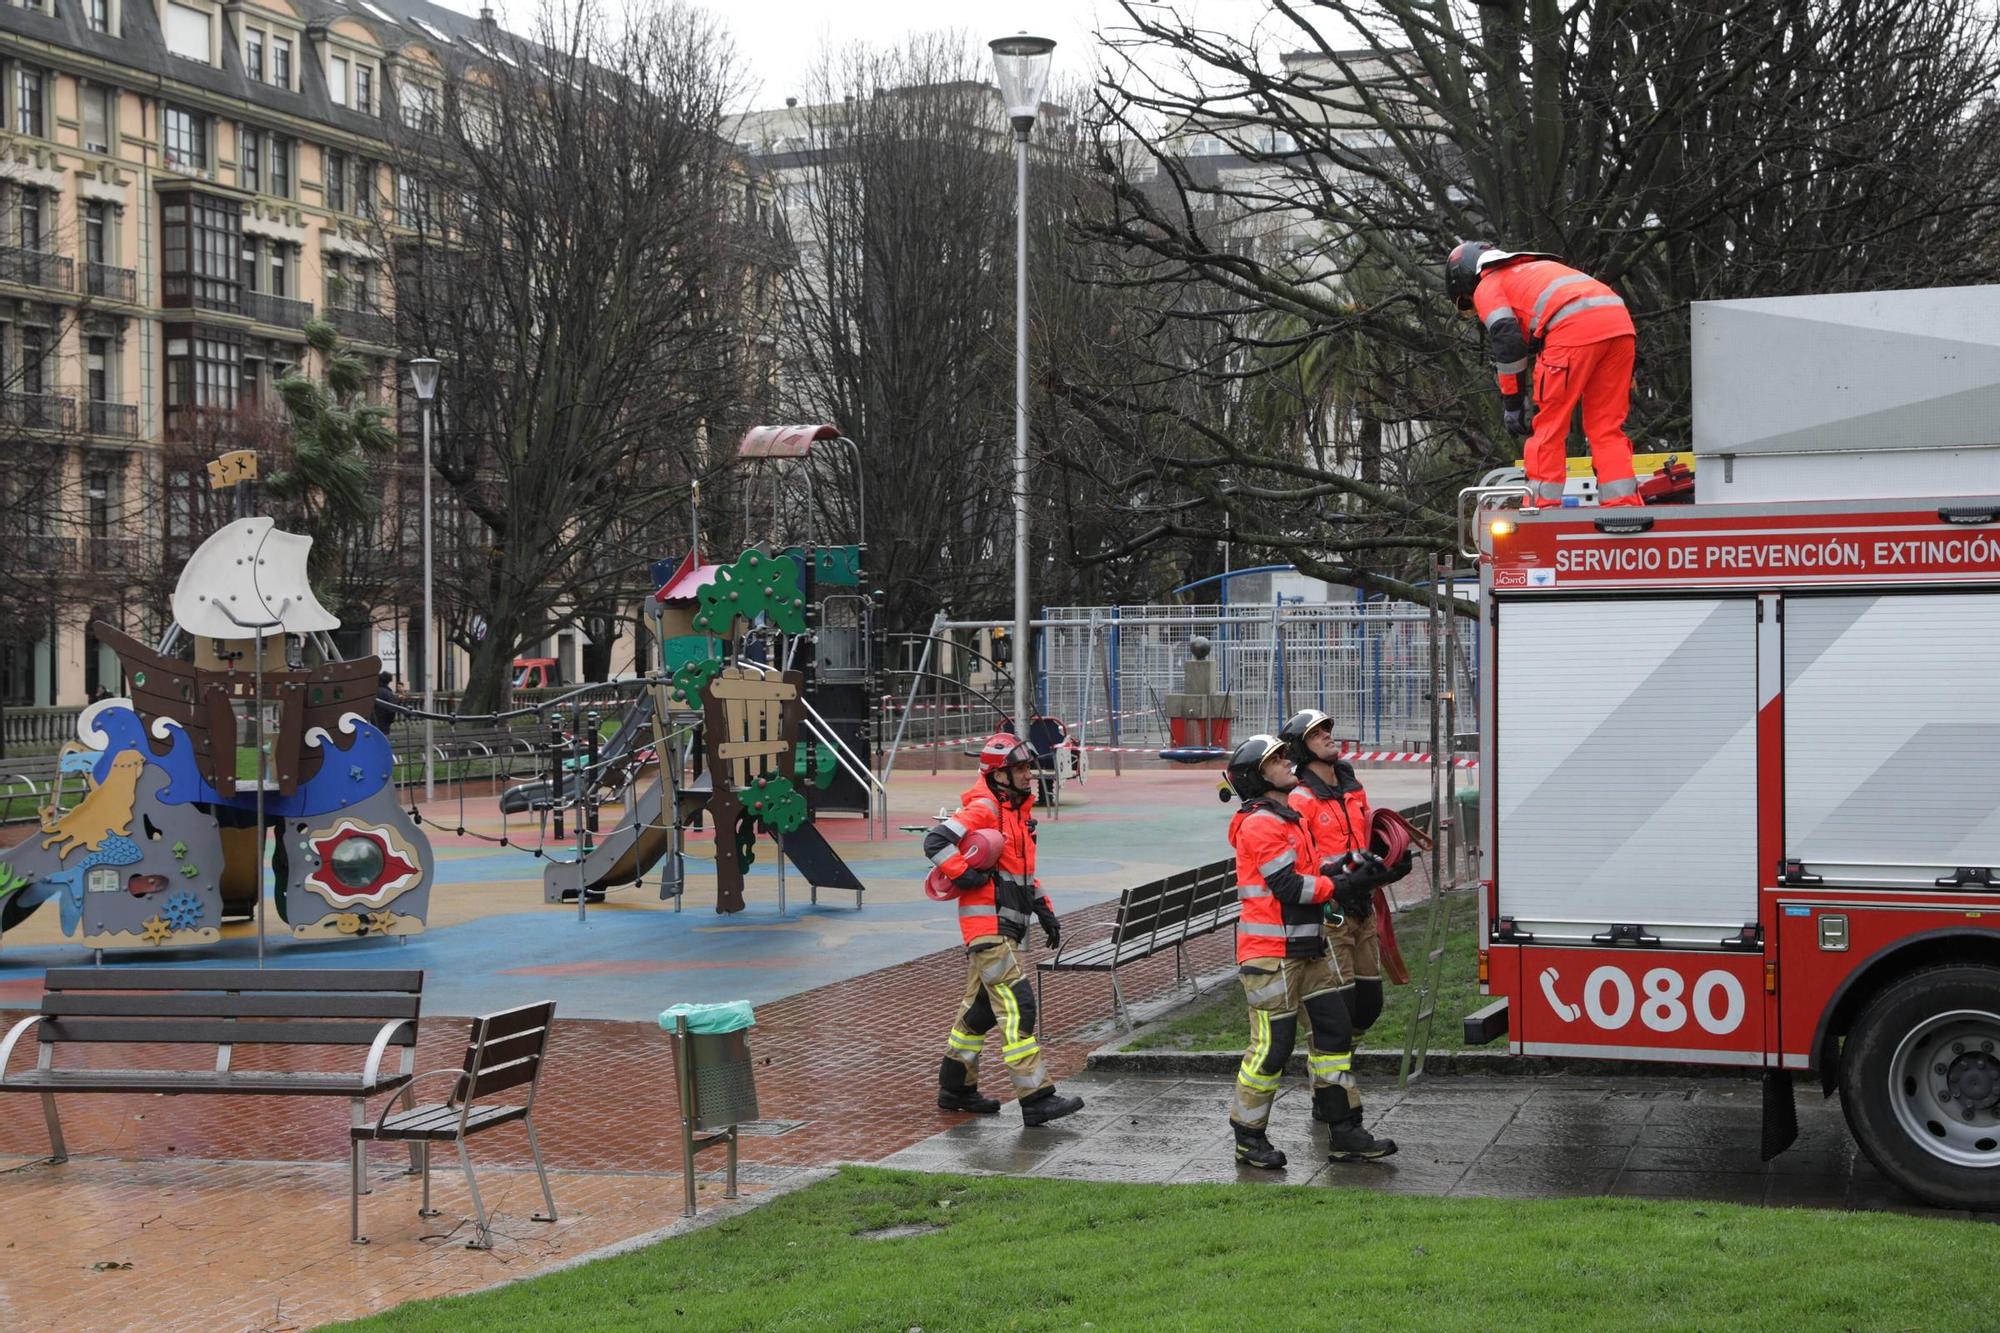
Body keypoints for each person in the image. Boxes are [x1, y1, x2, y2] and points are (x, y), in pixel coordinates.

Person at [1222, 733, 1398, 1169]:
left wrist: (1350, 867)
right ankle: (1249, 1138)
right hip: (1271, 956)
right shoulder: (1261, 822)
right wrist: (1340, 885)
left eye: (1285, 755)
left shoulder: (1286, 818)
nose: (1287, 763)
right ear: (1256, 777)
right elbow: (1288, 887)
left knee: (1335, 1033)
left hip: (1307, 948)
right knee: (1272, 1049)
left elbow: (1309, 868)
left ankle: (1346, 1131)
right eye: (1277, 760)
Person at [922, 730, 1084, 1127]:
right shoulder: (984, 808)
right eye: (1022, 769)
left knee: (978, 1014)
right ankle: (1036, 1097)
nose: (1030, 774)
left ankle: (956, 1089)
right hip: (986, 928)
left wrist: (1044, 909)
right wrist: (964, 874)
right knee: (1018, 1005)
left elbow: (1021, 873)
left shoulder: (1016, 813)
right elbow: (935, 841)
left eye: (1028, 767)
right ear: (999, 775)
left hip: (1004, 926)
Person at [1446, 242, 1642, 510]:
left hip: (1572, 330)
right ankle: (1623, 504)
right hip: (1620, 327)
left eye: (1467, 302)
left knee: (1549, 426)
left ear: (1465, 280)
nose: (1474, 308)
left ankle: (1542, 506)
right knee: (1606, 428)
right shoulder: (1537, 270)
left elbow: (1506, 337)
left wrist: (1513, 403)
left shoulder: (1488, 285)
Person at [1279, 710, 1413, 1092]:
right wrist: (1343, 872)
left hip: (1363, 907)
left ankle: (1331, 1067)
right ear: (1299, 748)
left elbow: (1364, 837)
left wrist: (1386, 859)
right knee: (1338, 1011)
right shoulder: (1299, 798)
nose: (1327, 736)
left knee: (1368, 1008)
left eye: (1327, 730)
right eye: (1316, 733)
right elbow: (1303, 861)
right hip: (1330, 913)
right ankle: (1330, 1086)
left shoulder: (1352, 786)